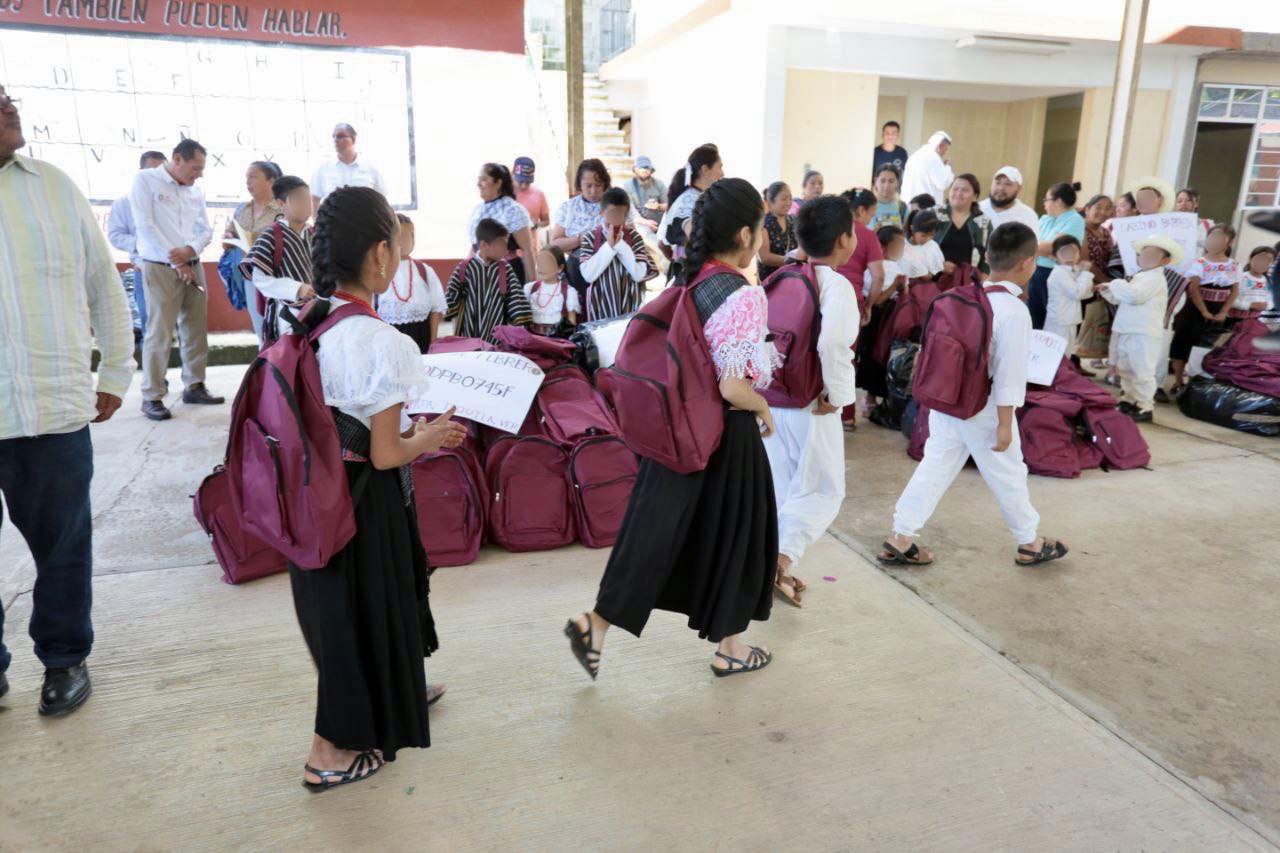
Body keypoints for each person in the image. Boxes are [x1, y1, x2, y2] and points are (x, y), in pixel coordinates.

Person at [563, 177, 779, 680]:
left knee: (653, 531)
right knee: (741, 536)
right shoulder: (743, 295)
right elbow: (733, 387)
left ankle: (595, 623)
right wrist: (764, 408)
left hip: (677, 429)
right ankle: (731, 648)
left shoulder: (690, 282)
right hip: (725, 435)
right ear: (747, 234)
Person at [291, 185, 467, 791]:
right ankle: (329, 753)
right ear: (379, 256)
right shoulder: (382, 342)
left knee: (344, 617)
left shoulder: (310, 324)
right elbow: (390, 451)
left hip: (317, 498)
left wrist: (404, 434)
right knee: (362, 618)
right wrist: (435, 436)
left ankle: (398, 690)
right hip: (365, 506)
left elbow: (354, 424)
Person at [1, 84, 134, 716]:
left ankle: (63, 659)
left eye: (6, 93)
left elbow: (103, 286)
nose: (8, 103)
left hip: (53, 407)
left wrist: (115, 371)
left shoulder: (53, 187)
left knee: (63, 543)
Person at [879, 223, 1068, 569]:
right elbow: (1010, 375)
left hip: (947, 401)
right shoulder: (1013, 311)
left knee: (934, 466)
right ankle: (1030, 542)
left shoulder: (961, 297)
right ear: (1028, 263)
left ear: (988, 258)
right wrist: (1006, 425)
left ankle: (901, 535)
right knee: (1009, 473)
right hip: (985, 409)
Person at [763, 195, 860, 608]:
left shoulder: (783, 276)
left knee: (782, 490)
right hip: (810, 403)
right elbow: (834, 342)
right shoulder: (836, 285)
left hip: (771, 400)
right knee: (823, 491)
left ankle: (767, 561)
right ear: (843, 240)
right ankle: (779, 563)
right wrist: (838, 395)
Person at [130, 138, 223, 420]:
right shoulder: (146, 181)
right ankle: (153, 395)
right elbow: (145, 226)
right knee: (160, 331)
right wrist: (176, 260)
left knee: (195, 328)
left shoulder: (194, 192)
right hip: (160, 267)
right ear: (177, 159)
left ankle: (194, 385)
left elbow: (204, 229)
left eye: (202, 168)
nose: (199, 174)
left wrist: (190, 251)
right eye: (195, 167)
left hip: (193, 265)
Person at [1097, 234, 1176, 423]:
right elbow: (1121, 297)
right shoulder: (1139, 277)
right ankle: (1129, 399)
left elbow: (1134, 296)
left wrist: (1114, 283)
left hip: (1143, 332)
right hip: (1127, 329)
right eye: (1144, 254)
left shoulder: (1154, 278)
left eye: (1152, 255)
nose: (1145, 258)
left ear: (1164, 261)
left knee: (1141, 370)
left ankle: (1144, 405)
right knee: (1126, 368)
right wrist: (1107, 288)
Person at [239, 175, 316, 347]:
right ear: (281, 204)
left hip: (315, 314)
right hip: (286, 318)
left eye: (307, 199)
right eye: (298, 199)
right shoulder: (271, 235)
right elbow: (259, 279)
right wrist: (296, 288)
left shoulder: (314, 235)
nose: (306, 205)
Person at [1169, 225, 1240, 392]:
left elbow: (1234, 290)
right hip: (1194, 309)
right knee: (1183, 344)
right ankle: (1178, 381)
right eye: (1211, 237)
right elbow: (1193, 288)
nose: (1214, 241)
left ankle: (1196, 384)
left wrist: (1223, 311)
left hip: (1218, 310)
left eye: (1220, 238)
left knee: (1207, 347)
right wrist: (1204, 311)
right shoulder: (1198, 262)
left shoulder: (1233, 265)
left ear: (1229, 242)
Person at [108, 150, 167, 341]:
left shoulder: (173, 200)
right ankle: (154, 370)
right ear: (140, 171)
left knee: (181, 326)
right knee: (150, 324)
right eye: (151, 170)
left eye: (161, 171)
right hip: (145, 269)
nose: (156, 176)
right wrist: (141, 243)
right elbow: (115, 235)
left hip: (176, 269)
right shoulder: (124, 203)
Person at [445, 218, 533, 343]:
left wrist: (520, 323)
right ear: (484, 245)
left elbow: (516, 298)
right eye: (501, 244)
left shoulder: (505, 269)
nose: (506, 249)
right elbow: (450, 297)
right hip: (468, 332)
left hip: (497, 336)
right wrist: (450, 310)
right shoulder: (464, 268)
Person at [577, 187, 657, 322]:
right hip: (600, 308)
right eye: (611, 214)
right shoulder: (590, 238)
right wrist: (609, 246)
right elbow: (588, 275)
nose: (615, 220)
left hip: (630, 306)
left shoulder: (634, 237)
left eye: (620, 215)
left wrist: (620, 245)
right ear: (602, 212)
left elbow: (638, 274)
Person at [225, 160, 285, 341]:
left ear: (271, 181)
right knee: (260, 328)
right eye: (246, 177)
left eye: (253, 177)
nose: (247, 182)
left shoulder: (282, 209)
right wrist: (228, 239)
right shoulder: (242, 209)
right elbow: (230, 235)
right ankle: (266, 365)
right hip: (250, 276)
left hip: (278, 276)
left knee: (281, 326)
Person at [376, 215, 447, 353]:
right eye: (399, 237)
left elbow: (435, 310)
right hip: (388, 341)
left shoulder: (425, 271)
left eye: (408, 236)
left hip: (421, 338)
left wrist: (433, 343)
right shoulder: (380, 271)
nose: (403, 241)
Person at [859, 225, 908, 417]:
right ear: (884, 247)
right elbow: (877, 300)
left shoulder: (897, 265)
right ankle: (870, 399)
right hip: (878, 319)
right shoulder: (876, 268)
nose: (901, 249)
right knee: (875, 358)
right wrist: (895, 286)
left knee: (888, 358)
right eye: (898, 245)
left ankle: (884, 400)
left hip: (893, 318)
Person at [1028, 181, 1086, 329]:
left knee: (1050, 320)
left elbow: (1053, 248)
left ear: (1058, 201)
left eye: (1046, 200)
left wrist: (1043, 248)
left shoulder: (1075, 220)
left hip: (1056, 274)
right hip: (1036, 271)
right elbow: (1036, 245)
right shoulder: (1046, 219)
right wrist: (1042, 248)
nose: (1044, 204)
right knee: (1034, 318)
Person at [658, 143, 723, 268]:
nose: (722, 173)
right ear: (705, 169)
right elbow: (696, 239)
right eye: (719, 167)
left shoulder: (699, 197)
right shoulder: (688, 201)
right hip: (692, 270)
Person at [469, 163, 536, 283]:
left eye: (484, 179)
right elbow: (474, 247)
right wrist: (465, 273)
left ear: (498, 183)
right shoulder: (477, 210)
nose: (478, 184)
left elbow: (527, 250)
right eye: (479, 180)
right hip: (481, 273)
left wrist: (532, 287)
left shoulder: (512, 209)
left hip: (507, 274)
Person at [548, 158, 619, 254]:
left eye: (598, 185)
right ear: (580, 185)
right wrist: (580, 239)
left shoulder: (616, 206)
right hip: (576, 264)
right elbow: (555, 243)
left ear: (605, 184)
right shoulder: (568, 208)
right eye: (588, 186)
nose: (593, 191)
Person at [310, 123, 384, 210]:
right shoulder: (323, 169)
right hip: (333, 221)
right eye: (334, 136)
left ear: (353, 139)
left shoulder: (370, 168)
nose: (336, 140)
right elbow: (315, 199)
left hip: (364, 220)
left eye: (340, 136)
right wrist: (317, 222)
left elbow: (382, 198)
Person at [1043, 235, 1095, 356]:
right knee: (1056, 355)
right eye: (1064, 252)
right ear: (1054, 257)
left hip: (1070, 319)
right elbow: (1077, 293)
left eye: (1073, 251)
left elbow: (1085, 294)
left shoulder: (1073, 270)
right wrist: (1086, 273)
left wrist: (1084, 276)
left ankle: (1063, 374)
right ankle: (1058, 375)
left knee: (1067, 353)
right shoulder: (1059, 273)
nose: (1069, 256)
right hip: (1060, 322)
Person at [933, 174, 992, 274]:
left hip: (968, 282)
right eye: (955, 189)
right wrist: (938, 265)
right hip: (933, 279)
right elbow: (918, 246)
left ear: (975, 197)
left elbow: (989, 254)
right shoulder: (935, 214)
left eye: (965, 190)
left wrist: (983, 276)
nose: (959, 193)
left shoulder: (983, 222)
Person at [525, 246, 580, 336]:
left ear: (560, 268)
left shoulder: (569, 292)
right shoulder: (529, 289)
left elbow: (571, 323)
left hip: (557, 340)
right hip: (532, 339)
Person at [757, 181, 802, 280]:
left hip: (790, 277)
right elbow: (764, 257)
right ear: (771, 202)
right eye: (784, 199)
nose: (788, 202)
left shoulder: (792, 220)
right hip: (770, 279)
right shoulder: (763, 224)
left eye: (790, 198)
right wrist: (790, 260)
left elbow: (799, 246)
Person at [979, 166, 1040, 231]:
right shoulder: (978, 209)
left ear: (1018, 189)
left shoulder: (1028, 216)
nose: (1000, 188)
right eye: (997, 183)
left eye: (1007, 184)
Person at [901, 130, 953, 203]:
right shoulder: (934, 157)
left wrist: (942, 167)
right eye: (946, 149)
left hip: (909, 203)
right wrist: (948, 167)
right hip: (925, 205)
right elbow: (942, 183)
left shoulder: (916, 155)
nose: (945, 152)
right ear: (940, 146)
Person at [1231, 246, 1276, 324]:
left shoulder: (1269, 282)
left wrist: (1266, 306)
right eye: (1260, 258)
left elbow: (1271, 301)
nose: (1263, 262)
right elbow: (1230, 300)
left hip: (1257, 322)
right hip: (1235, 320)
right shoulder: (1239, 277)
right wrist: (1250, 305)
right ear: (1250, 258)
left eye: (1268, 260)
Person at [626, 155, 667, 233]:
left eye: (647, 167)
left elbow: (670, 205)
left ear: (651, 170)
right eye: (641, 167)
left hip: (657, 221)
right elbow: (629, 212)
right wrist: (645, 222)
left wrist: (658, 206)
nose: (644, 170)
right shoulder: (628, 186)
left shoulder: (659, 184)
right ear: (635, 169)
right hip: (638, 223)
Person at [900, 209, 946, 280]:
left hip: (926, 288)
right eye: (923, 235)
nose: (927, 239)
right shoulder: (901, 245)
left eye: (932, 235)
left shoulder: (932, 246)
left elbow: (933, 274)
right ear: (912, 228)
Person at [513, 156, 550, 233]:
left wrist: (536, 224)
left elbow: (546, 221)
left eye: (527, 182)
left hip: (530, 243)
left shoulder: (539, 194)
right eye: (520, 181)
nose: (524, 186)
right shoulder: (505, 193)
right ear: (513, 175)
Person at [1176, 187, 1214, 255]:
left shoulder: (1208, 225)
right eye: (1179, 201)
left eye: (1188, 200)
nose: (1183, 204)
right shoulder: (1170, 225)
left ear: (1196, 203)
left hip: (1200, 264)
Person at [869, 164, 907, 230]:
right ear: (875, 181)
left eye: (891, 181)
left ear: (897, 183)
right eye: (882, 181)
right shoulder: (866, 205)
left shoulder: (902, 208)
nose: (886, 186)